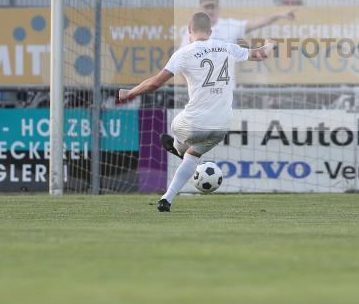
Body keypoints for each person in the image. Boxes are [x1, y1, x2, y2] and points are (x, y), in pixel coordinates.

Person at [118, 11, 275, 212]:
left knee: (176, 127)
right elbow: (260, 54)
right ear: (210, 32)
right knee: (192, 157)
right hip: (222, 125)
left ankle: (176, 147)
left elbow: (155, 83)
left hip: (192, 122)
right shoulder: (228, 47)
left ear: (189, 31)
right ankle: (166, 198)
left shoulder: (184, 52)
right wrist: (269, 44)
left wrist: (130, 92)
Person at [181, 0, 296, 46]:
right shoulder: (191, 32)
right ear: (200, 8)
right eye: (207, 7)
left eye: (213, 6)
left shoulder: (229, 26)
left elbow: (256, 23)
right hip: (200, 92)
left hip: (227, 91)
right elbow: (181, 61)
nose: (210, 10)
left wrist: (279, 15)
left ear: (218, 8)